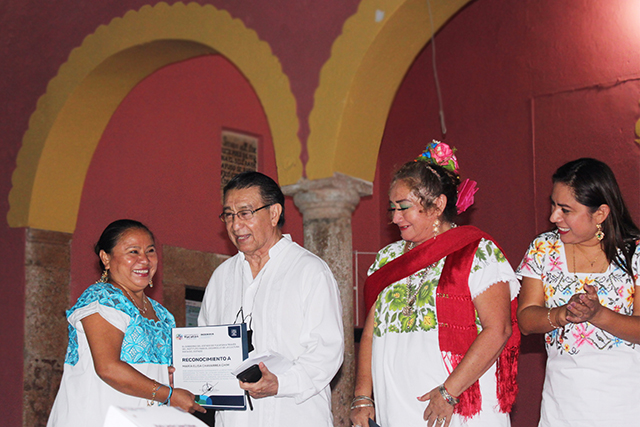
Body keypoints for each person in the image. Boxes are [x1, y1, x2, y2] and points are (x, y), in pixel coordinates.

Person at [351, 141, 520, 427]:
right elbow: (370, 333)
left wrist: (449, 392)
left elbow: (498, 329)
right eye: (392, 209)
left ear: (438, 205)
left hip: (457, 407)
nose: (395, 218)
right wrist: (362, 396)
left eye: (404, 208)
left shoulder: (478, 251)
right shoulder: (387, 257)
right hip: (396, 406)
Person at [197, 171, 344, 427]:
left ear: (274, 214)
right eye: (229, 215)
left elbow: (327, 350)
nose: (235, 225)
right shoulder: (221, 277)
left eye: (245, 213)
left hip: (295, 416)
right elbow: (207, 345)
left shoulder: (309, 270)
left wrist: (280, 383)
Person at [516, 158, 640, 426]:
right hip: (562, 407)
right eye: (553, 204)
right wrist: (562, 314)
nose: (553, 217)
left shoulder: (635, 253)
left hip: (627, 407)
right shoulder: (543, 249)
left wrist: (597, 314)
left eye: (566, 210)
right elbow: (525, 320)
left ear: (600, 214)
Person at [47, 219, 205, 427]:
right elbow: (108, 368)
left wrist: (170, 377)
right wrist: (168, 394)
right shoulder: (101, 299)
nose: (144, 260)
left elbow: (148, 368)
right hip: (99, 417)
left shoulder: (162, 313)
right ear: (106, 258)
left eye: (150, 251)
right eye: (133, 252)